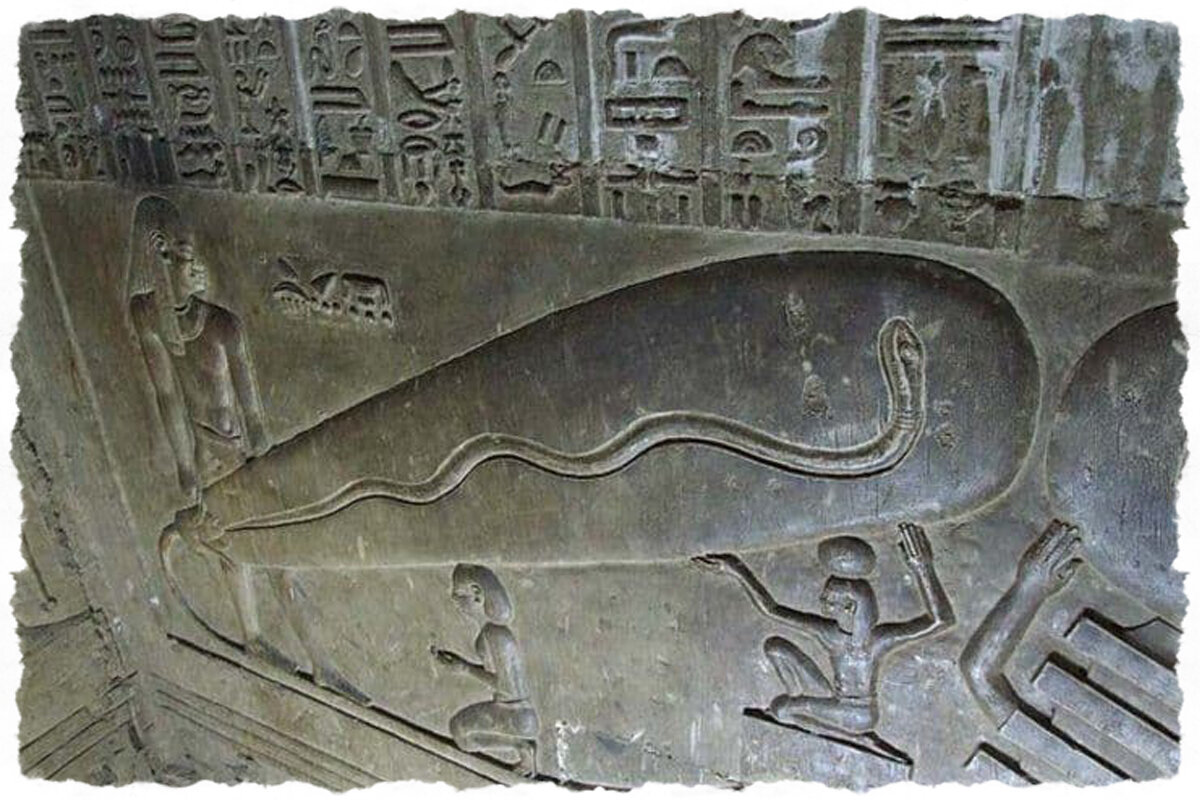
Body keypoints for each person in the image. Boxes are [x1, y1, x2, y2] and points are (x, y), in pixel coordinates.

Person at [693, 522, 954, 745]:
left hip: (858, 715)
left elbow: (941, 620)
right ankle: (799, 698)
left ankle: (856, 739)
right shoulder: (830, 634)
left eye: (829, 599)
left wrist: (923, 567)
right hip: (833, 700)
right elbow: (773, 610)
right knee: (775, 647)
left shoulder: (876, 642)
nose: (822, 601)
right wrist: (737, 569)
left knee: (781, 710)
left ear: (850, 607)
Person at [126, 194, 267, 503]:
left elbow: (252, 415)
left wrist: (257, 436)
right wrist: (185, 467)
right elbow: (166, 395)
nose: (200, 267)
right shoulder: (146, 314)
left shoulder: (223, 325)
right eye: (187, 254)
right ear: (161, 254)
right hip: (204, 455)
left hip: (234, 446)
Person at [432, 564, 539, 776]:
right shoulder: (491, 633)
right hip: (515, 713)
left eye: (457, 593)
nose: (453, 599)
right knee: (462, 735)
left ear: (476, 594)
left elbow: (507, 687)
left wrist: (466, 668)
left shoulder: (495, 635)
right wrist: (462, 664)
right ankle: (520, 747)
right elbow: (499, 673)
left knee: (460, 732)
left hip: (514, 714)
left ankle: (521, 748)